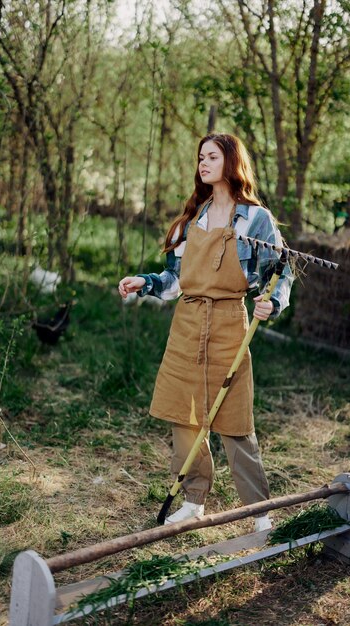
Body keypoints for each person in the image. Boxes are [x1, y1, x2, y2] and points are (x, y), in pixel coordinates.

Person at [118, 133, 293, 531]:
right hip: (187, 323)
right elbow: (173, 281)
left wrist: (273, 302)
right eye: (200, 157)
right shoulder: (192, 218)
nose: (203, 163)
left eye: (211, 156)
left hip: (230, 323)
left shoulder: (256, 219)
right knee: (184, 413)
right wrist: (142, 283)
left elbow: (281, 272)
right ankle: (193, 500)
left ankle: (258, 511)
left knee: (234, 420)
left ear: (231, 162)